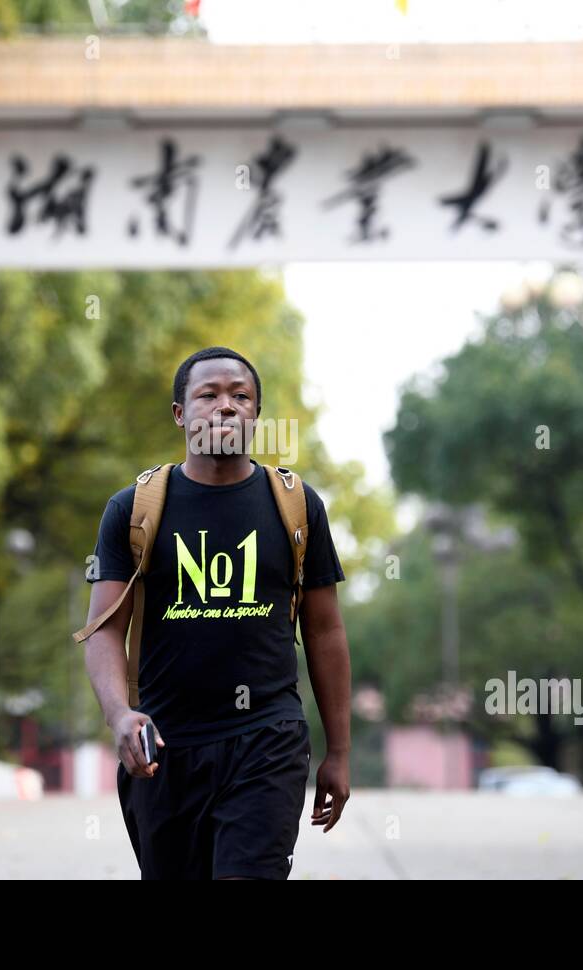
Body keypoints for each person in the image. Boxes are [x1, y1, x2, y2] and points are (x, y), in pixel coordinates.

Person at [78, 346, 352, 880]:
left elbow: (325, 631)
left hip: (267, 741)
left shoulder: (296, 505)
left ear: (256, 415)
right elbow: (105, 629)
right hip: (164, 747)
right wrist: (119, 715)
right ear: (181, 413)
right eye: (208, 395)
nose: (224, 406)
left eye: (240, 396)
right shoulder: (132, 509)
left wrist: (338, 751)